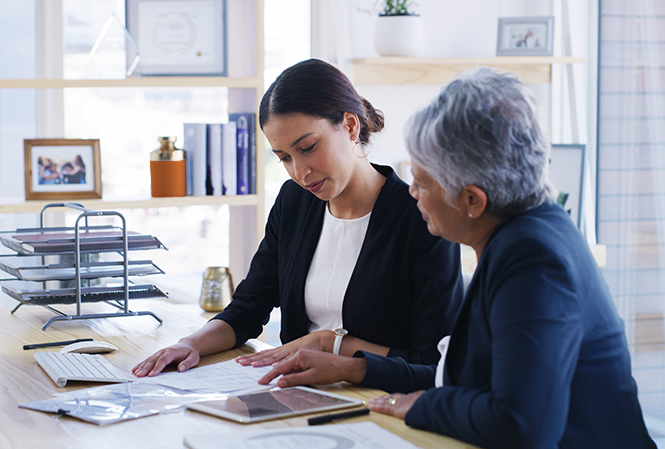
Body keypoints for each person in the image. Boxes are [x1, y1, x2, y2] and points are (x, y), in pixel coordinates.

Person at [257, 67, 656, 449]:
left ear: (472, 200)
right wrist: (359, 368)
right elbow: (477, 382)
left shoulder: (533, 261)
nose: (412, 192)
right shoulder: (523, 235)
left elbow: (521, 424)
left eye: (423, 181)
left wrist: (421, 405)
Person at [133, 58, 464, 378]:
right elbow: (250, 306)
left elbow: (433, 363)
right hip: (294, 392)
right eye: (284, 158)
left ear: (350, 125)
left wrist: (330, 344)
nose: (300, 173)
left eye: (307, 148)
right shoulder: (294, 203)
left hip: (379, 400)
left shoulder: (422, 218)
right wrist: (191, 344)